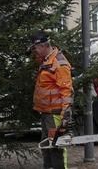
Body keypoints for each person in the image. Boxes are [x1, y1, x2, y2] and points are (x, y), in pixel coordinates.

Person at [28, 31, 73, 169]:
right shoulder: (46, 60)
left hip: (55, 113)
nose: (34, 52)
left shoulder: (58, 63)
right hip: (46, 113)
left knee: (56, 147)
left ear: (42, 46)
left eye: (35, 49)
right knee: (46, 145)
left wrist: (65, 114)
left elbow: (66, 91)